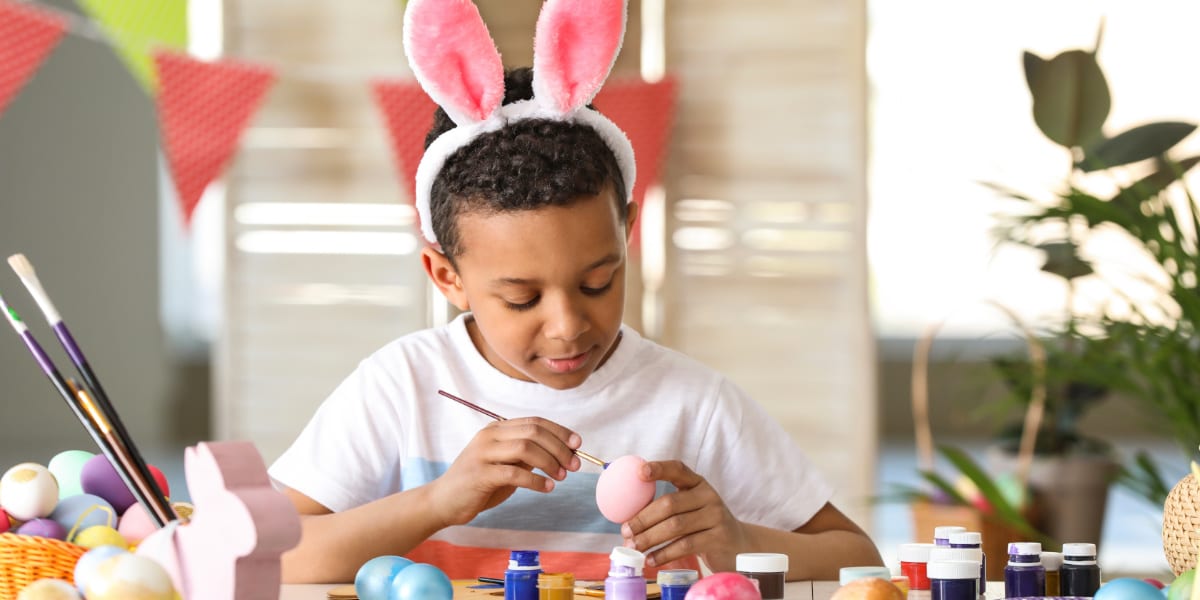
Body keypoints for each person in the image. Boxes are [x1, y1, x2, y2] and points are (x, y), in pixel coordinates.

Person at [270, 0, 883, 584]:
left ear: (629, 234)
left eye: (598, 282)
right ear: (446, 277)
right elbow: (267, 555)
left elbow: (856, 556)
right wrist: (437, 502)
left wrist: (742, 544)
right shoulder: (402, 388)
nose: (567, 325)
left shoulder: (693, 405)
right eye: (521, 299)